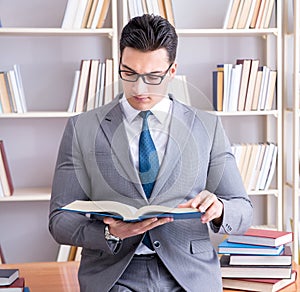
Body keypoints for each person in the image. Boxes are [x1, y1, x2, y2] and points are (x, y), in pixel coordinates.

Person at [49, 14, 253, 292]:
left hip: (190, 276)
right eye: (129, 73)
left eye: (153, 76)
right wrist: (108, 232)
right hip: (114, 275)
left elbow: (242, 209)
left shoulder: (207, 126)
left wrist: (219, 209)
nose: (139, 88)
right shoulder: (82, 128)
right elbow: (59, 220)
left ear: (172, 71)